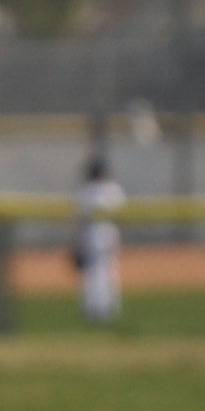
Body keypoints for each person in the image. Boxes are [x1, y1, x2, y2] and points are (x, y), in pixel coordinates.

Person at [76, 134, 125, 327]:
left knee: (93, 274)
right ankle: (108, 308)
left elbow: (78, 220)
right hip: (109, 235)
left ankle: (94, 309)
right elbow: (121, 218)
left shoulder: (85, 191)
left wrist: (75, 241)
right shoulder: (114, 189)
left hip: (91, 236)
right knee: (109, 271)